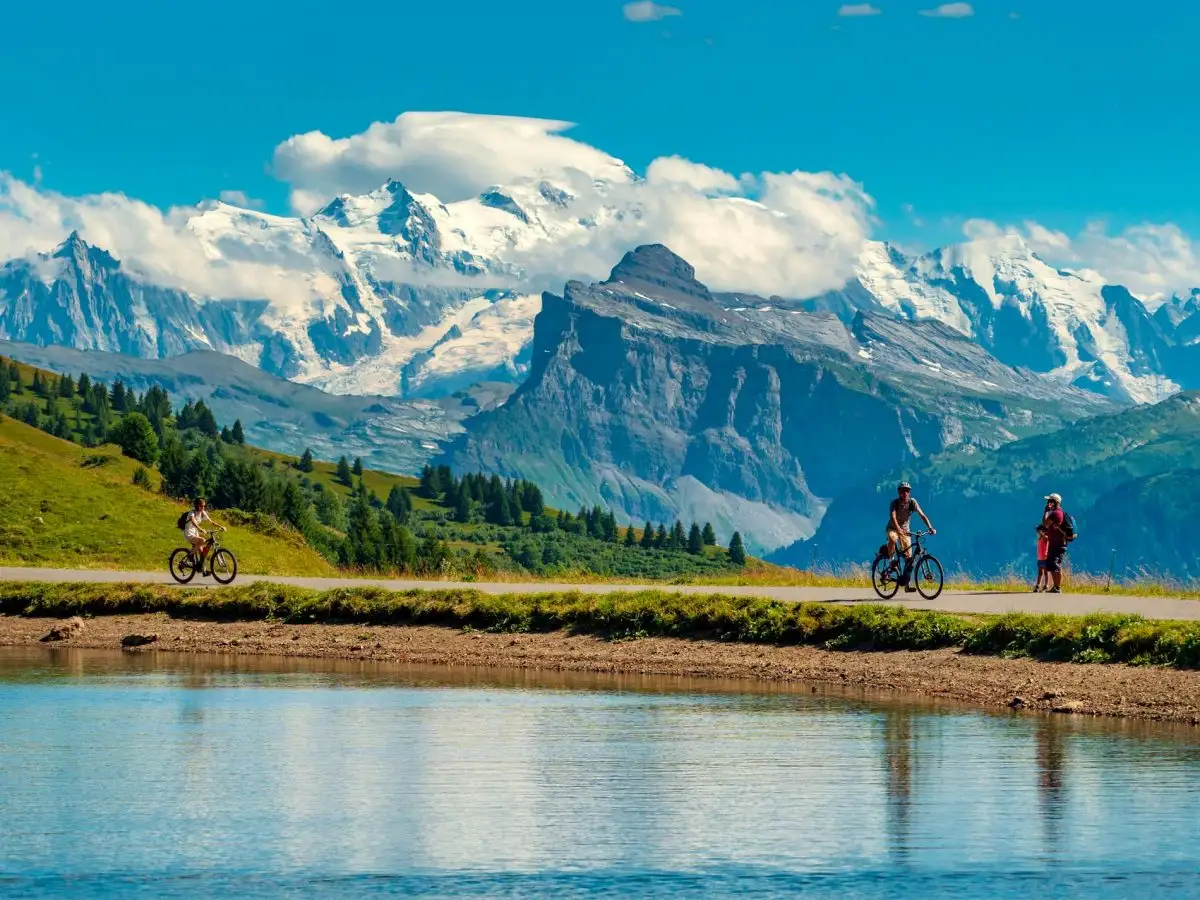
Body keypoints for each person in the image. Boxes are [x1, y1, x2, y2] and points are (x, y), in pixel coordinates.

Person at [886, 482, 935, 590]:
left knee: (909, 559)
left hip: (905, 531)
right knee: (893, 538)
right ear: (899, 492)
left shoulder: (912, 502)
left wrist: (930, 528)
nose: (905, 493)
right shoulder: (894, 503)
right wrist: (898, 528)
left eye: (907, 491)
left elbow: (922, 515)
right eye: (903, 491)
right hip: (893, 528)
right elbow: (893, 516)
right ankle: (891, 560)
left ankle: (907, 585)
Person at [183, 497, 224, 567]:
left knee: (202, 553)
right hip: (189, 533)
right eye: (201, 506)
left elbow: (211, 521)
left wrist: (220, 526)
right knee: (203, 540)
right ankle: (190, 556)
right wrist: (200, 528)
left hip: (195, 533)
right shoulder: (192, 512)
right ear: (197, 506)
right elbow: (193, 521)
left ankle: (202, 570)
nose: (203, 507)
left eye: (204, 506)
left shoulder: (203, 513)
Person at [1041, 493, 1067, 594]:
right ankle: (1055, 587)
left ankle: (1058, 587)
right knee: (1052, 564)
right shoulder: (1059, 512)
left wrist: (1046, 511)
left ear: (1055, 502)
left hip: (1057, 544)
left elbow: (1045, 524)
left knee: (1056, 564)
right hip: (1055, 543)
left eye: (1049, 501)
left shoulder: (1056, 513)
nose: (1048, 503)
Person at [1033, 524, 1050, 592]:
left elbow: (1047, 539)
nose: (1037, 533)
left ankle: (1046, 585)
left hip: (1045, 558)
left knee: (1046, 573)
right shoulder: (1039, 538)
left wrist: (1042, 534)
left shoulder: (1045, 537)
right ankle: (1038, 585)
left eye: (1038, 531)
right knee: (1040, 573)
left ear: (1043, 531)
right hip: (1039, 558)